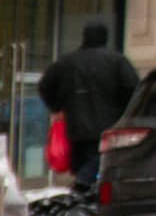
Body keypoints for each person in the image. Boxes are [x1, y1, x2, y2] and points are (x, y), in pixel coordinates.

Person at [39, 18, 139, 187]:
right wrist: (127, 115)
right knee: (96, 171)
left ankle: (81, 203)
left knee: (81, 168)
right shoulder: (117, 61)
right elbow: (133, 90)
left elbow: (45, 85)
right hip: (108, 127)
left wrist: (57, 107)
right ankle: (84, 192)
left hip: (76, 128)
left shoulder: (67, 62)